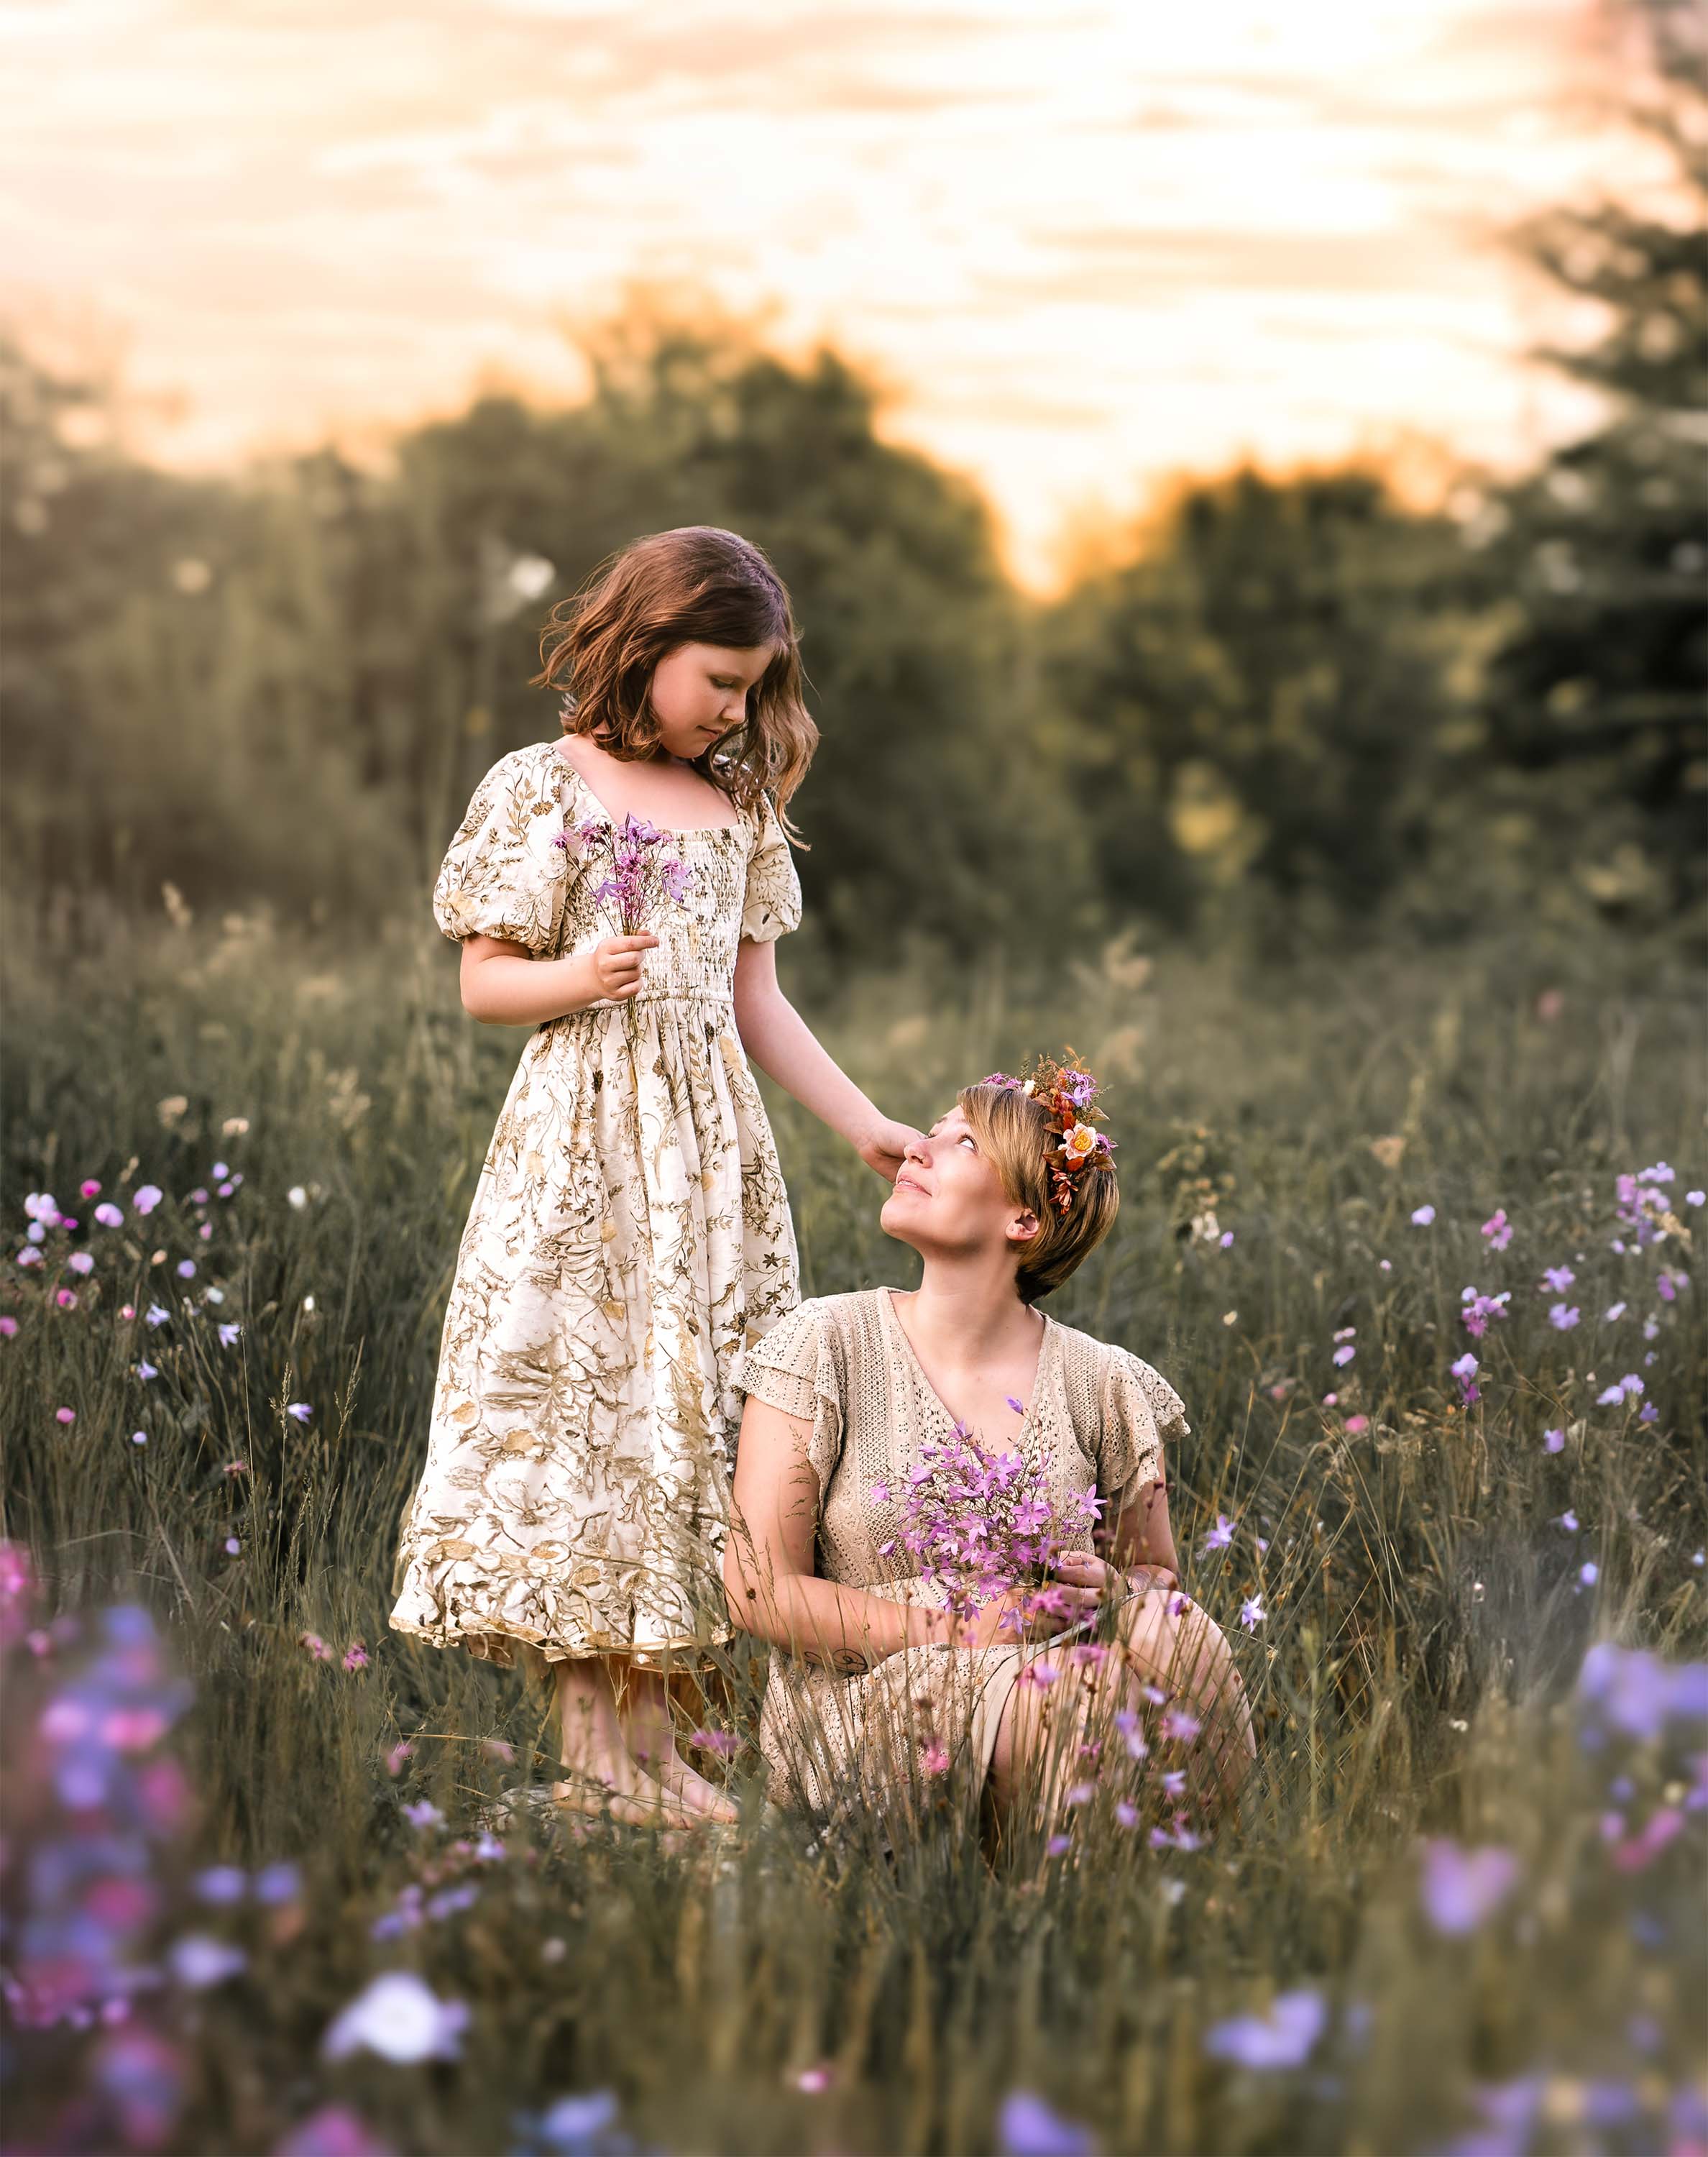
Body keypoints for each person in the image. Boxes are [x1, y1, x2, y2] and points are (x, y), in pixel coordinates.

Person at [389, 526, 920, 1826]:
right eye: (720, 681)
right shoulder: (544, 784)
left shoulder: (735, 808)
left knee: (691, 1421)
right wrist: (577, 978)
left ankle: (656, 1738)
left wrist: (863, 1126)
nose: (738, 709)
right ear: (644, 648)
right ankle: (593, 1755)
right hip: (581, 1158)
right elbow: (484, 979)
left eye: (752, 688)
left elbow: (759, 1004)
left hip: (706, 1163)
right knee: (587, 1420)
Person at [725, 1053, 1257, 1845]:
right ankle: (1086, 1913)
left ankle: (1163, 1897)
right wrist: (966, 1633)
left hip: (1071, 1674)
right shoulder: (825, 1344)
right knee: (1069, 1693)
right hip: (872, 1696)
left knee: (1171, 1627)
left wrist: (1111, 1586)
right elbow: (758, 1591)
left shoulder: (1104, 1383)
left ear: (1025, 1222)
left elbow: (1155, 1574)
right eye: (930, 1133)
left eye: (963, 1143)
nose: (919, 1148)